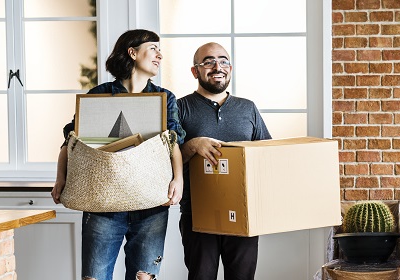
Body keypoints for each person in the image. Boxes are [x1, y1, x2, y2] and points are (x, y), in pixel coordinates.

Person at [51, 29, 186, 280]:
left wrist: (178, 180)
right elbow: (71, 142)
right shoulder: (99, 94)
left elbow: (173, 142)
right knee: (94, 277)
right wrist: (61, 179)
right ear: (133, 53)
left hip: (151, 203)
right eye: (153, 48)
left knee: (144, 277)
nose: (160, 55)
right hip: (102, 201)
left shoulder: (165, 98)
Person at [177, 42, 271, 280]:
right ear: (195, 71)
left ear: (231, 68)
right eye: (208, 61)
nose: (217, 66)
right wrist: (192, 145)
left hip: (243, 213)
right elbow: (165, 160)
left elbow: (267, 157)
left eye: (223, 61)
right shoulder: (180, 108)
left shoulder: (247, 108)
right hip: (197, 214)